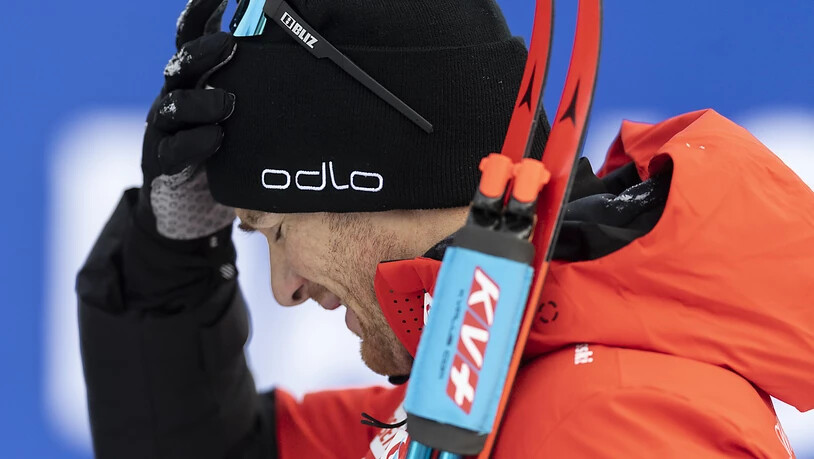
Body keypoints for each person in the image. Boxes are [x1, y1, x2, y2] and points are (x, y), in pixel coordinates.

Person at [77, 0, 814, 457]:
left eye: (273, 229)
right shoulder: (479, 382)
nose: (284, 288)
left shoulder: (607, 427)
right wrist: (169, 253)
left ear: (368, 178)